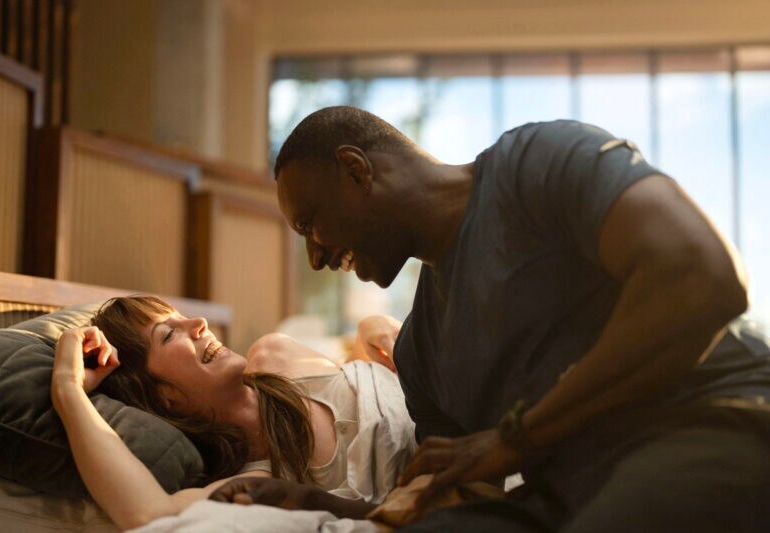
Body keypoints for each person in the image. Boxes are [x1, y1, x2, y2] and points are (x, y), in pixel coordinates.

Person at [215, 106, 770, 531]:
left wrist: (517, 436)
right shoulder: (420, 351)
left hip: (713, 420)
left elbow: (702, 276)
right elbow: (456, 488)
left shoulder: (535, 163)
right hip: (567, 491)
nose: (315, 257)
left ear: (356, 170)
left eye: (309, 225)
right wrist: (325, 505)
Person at [50, 295, 413, 530]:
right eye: (169, 334)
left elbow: (365, 369)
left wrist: (371, 325)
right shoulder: (255, 482)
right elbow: (149, 515)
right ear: (162, 397)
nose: (199, 323)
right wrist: (67, 387)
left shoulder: (276, 353)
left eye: (182, 317)